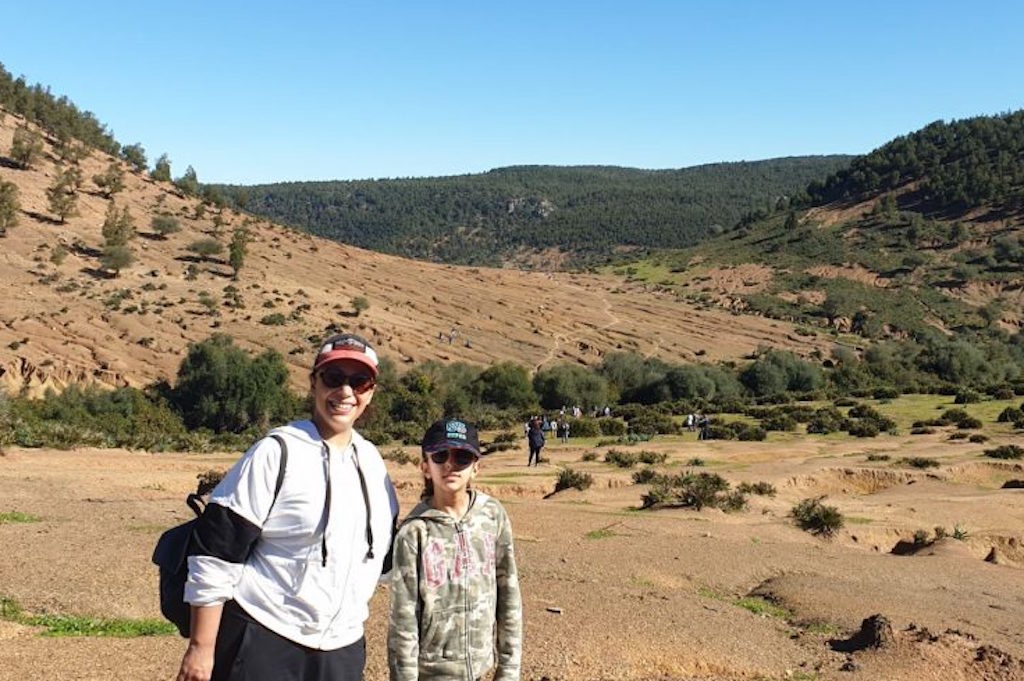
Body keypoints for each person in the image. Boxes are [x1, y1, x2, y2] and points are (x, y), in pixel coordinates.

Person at [176, 333, 399, 681]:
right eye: (333, 378)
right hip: (265, 635)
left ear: (371, 392)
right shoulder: (277, 452)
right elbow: (216, 551)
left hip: (342, 647)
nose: (345, 392)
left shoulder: (372, 463)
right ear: (313, 384)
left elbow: (382, 557)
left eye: (359, 381)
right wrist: (202, 648)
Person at [388, 418, 522, 681]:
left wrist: (509, 669)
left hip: (481, 669)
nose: (450, 464)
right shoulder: (414, 533)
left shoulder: (492, 516)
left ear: (476, 468)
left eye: (462, 457)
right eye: (440, 456)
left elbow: (509, 597)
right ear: (425, 467)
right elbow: (403, 620)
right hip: (432, 673)